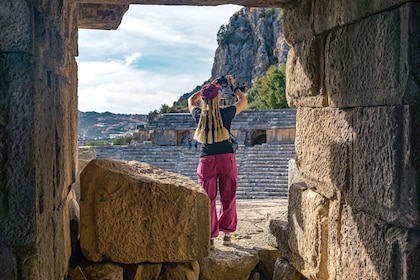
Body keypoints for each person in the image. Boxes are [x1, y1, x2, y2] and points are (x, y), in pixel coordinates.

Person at [188, 75, 247, 249]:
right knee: (229, 196)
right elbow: (243, 100)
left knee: (208, 198)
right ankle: (227, 234)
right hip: (226, 158)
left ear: (204, 100)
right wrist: (233, 86)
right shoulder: (226, 113)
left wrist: (207, 88)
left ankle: (210, 236)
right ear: (218, 97)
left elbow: (191, 100)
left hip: (206, 159)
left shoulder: (199, 115)